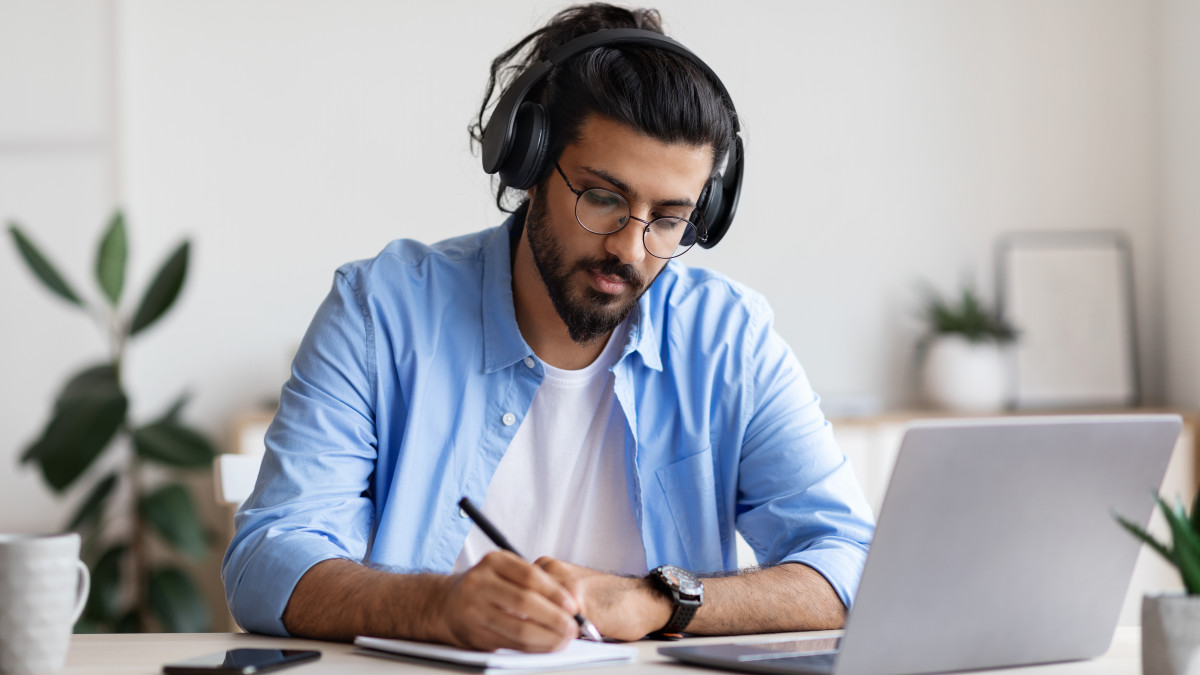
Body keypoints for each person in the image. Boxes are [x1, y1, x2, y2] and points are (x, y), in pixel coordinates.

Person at [223, 3, 874, 654]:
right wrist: (438, 606)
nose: (632, 246)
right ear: (528, 164)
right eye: (603, 198)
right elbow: (266, 559)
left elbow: (851, 559)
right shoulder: (381, 312)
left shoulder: (729, 340)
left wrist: (656, 598)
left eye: (669, 219)